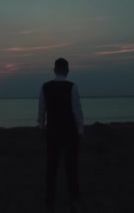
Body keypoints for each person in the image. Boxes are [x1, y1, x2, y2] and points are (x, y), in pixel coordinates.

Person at [38, 57, 84, 213]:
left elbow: (41, 110)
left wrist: (42, 127)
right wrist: (80, 130)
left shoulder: (45, 87)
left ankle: (50, 201)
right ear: (66, 70)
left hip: (52, 132)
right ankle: (74, 199)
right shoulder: (72, 87)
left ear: (54, 70)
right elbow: (77, 111)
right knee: (71, 167)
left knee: (52, 167)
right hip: (69, 132)